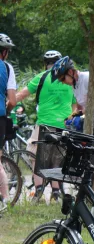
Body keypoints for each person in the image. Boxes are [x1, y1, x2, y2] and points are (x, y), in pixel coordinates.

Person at [16, 50, 78, 202]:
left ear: (45, 64)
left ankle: (39, 191)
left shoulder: (41, 77)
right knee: (57, 158)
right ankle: (56, 193)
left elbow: (21, 95)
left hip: (45, 124)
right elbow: (76, 105)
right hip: (64, 124)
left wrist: (8, 106)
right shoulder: (70, 79)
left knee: (34, 154)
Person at [51, 56, 94, 139]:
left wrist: (82, 112)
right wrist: (72, 116)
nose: (63, 82)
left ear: (70, 72)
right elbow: (80, 107)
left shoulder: (87, 78)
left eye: (62, 79)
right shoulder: (74, 85)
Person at [0, 33, 17, 207]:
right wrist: (6, 111)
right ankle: (5, 200)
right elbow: (12, 100)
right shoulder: (7, 68)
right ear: (3, 52)